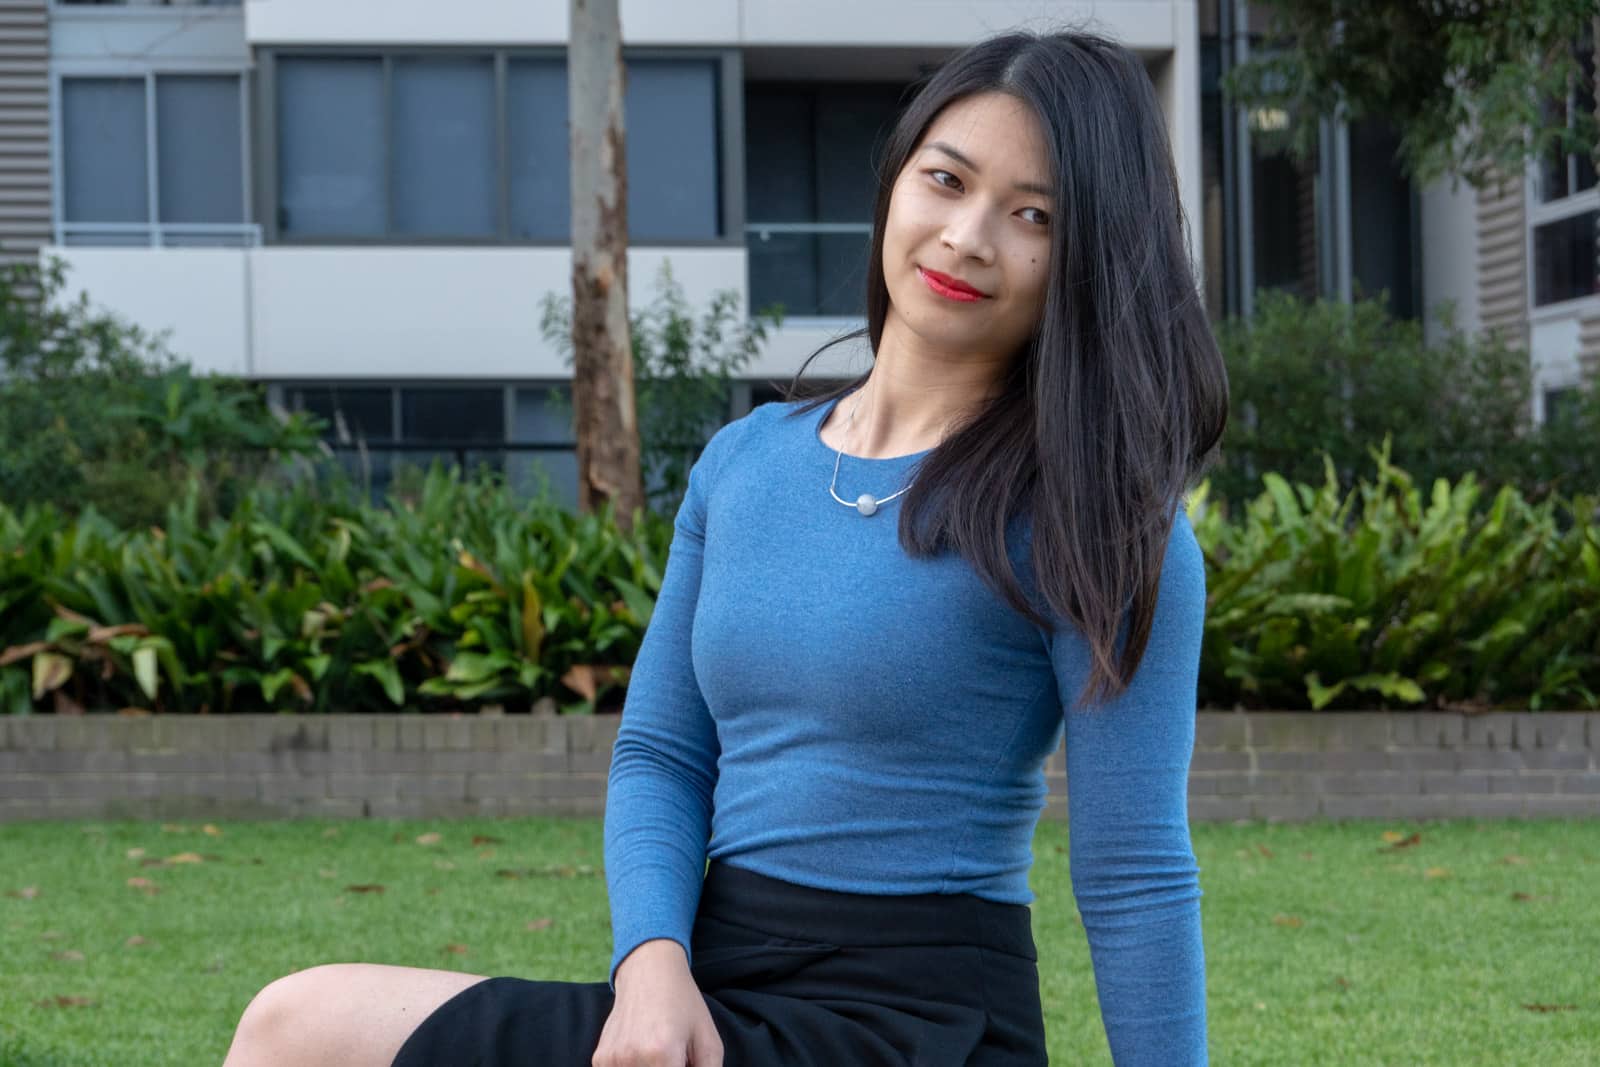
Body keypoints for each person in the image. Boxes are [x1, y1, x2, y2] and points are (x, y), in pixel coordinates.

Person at [222, 23, 1228, 1067]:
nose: (967, 236)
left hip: (915, 1021)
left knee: (303, 1027)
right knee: (294, 1022)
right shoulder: (745, 462)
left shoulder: (1095, 514)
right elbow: (662, 750)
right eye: (947, 179)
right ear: (895, 182)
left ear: (1087, 257)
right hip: (708, 980)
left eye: (1033, 216)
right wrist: (648, 965)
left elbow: (1135, 868)